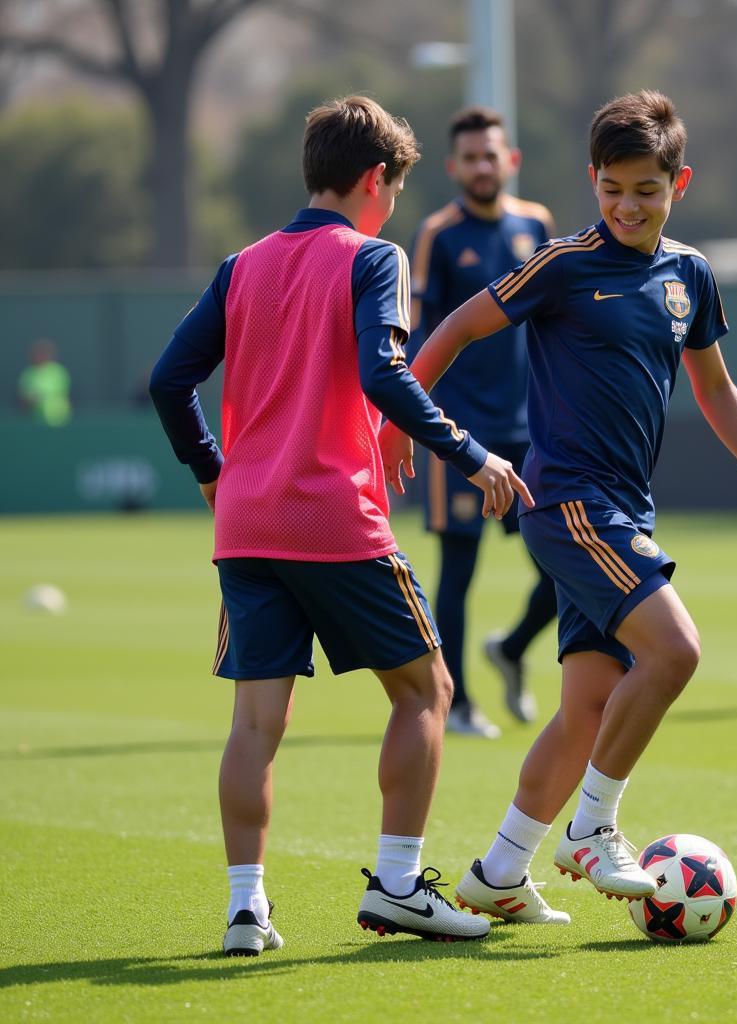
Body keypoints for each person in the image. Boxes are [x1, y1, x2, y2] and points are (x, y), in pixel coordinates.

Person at [380, 91, 737, 925]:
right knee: (675, 651)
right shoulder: (563, 264)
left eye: (646, 188)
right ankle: (593, 825)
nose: (627, 205)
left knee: (585, 711)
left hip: (625, 510)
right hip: (567, 500)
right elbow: (455, 327)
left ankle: (500, 872)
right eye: (611, 188)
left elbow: (713, 388)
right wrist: (404, 419)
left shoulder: (690, 275)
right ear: (591, 181)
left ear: (680, 181)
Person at [149, 96, 533, 954]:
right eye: (394, 186)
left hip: (247, 525)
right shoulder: (375, 256)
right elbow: (384, 370)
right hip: (336, 518)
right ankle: (398, 885)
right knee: (426, 692)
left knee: (255, 726)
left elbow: (169, 382)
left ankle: (246, 908)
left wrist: (215, 476)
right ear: (374, 180)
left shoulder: (241, 263)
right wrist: (471, 453)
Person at [408, 106, 558, 738]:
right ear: (453, 167)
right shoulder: (438, 234)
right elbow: (418, 334)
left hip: (533, 432)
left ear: (510, 160)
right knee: (458, 572)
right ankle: (459, 703)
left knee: (563, 564)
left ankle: (515, 647)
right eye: (469, 157)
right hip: (461, 434)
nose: (481, 166)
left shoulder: (538, 224)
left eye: (490, 155)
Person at [19, 338, 71, 426]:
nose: (40, 357)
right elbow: (24, 398)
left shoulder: (58, 371)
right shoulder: (27, 374)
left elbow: (63, 394)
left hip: (59, 419)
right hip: (35, 420)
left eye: (43, 353)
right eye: (38, 354)